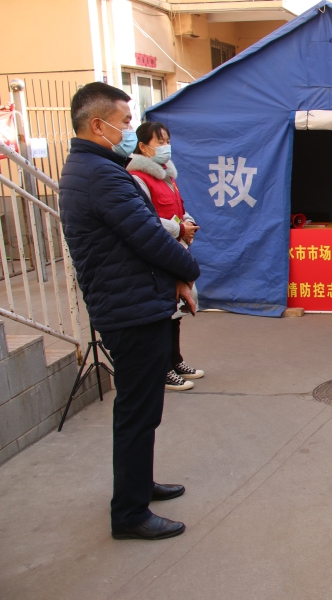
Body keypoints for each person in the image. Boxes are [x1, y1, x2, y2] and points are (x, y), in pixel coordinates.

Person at [59, 82, 200, 541]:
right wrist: (188, 270)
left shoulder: (93, 168)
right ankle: (130, 514)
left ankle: (139, 485)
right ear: (97, 124)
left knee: (141, 409)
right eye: (124, 122)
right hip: (130, 310)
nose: (129, 130)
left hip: (131, 301)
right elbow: (148, 237)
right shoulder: (101, 176)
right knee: (138, 412)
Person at [128, 121, 204, 392]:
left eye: (167, 141)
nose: (165, 146)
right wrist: (178, 229)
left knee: (176, 310)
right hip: (158, 252)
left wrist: (188, 223)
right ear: (143, 146)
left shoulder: (167, 176)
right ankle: (163, 369)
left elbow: (179, 209)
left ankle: (175, 360)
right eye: (159, 141)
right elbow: (146, 219)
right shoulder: (138, 178)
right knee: (163, 312)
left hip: (175, 249)